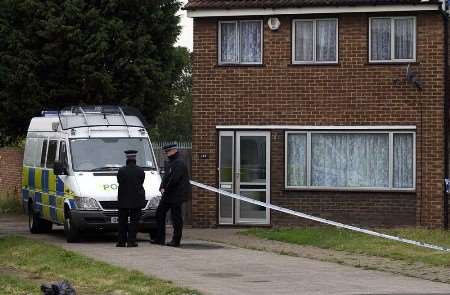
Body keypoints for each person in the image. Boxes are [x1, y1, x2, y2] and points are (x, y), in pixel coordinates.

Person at [151, 144, 190, 247]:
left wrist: (165, 189)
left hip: (176, 194)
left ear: (174, 151)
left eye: (168, 152)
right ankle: (160, 238)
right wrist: (161, 187)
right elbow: (166, 177)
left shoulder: (179, 163)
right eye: (166, 152)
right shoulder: (171, 162)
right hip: (168, 194)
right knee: (159, 213)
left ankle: (176, 240)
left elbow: (175, 179)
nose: (167, 154)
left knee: (176, 217)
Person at [116, 150, 146, 247]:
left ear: (127, 158)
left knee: (122, 222)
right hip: (136, 200)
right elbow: (141, 182)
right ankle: (131, 241)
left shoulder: (121, 170)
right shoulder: (141, 171)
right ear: (135, 159)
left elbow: (119, 181)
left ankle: (121, 242)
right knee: (134, 221)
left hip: (123, 200)